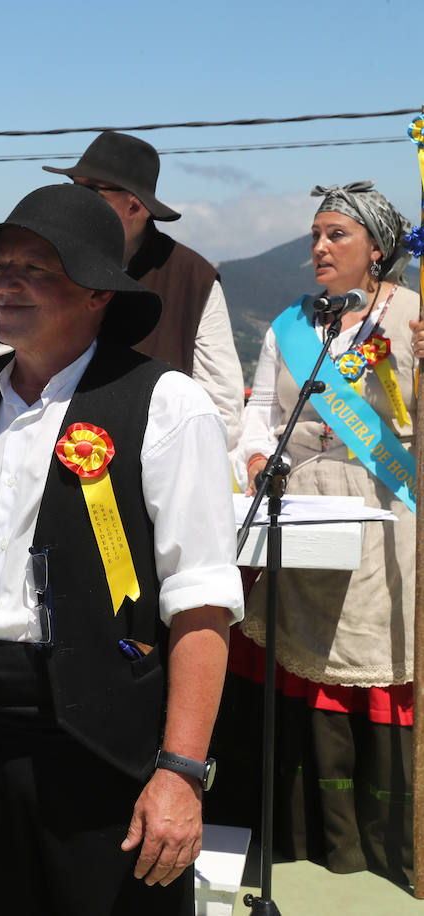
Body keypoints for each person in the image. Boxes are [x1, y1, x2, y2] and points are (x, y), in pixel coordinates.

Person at [0, 184, 242, 915]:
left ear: (96, 292)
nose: (7, 283)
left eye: (36, 268)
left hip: (107, 746)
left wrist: (181, 772)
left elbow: (202, 603)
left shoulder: (166, 405)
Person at [219, 180, 417, 887]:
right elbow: (261, 408)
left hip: (385, 521)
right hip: (298, 516)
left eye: (337, 235)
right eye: (315, 234)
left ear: (378, 249)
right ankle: (292, 835)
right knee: (295, 652)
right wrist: (250, 451)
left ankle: (367, 847)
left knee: (362, 648)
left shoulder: (416, 319)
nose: (320, 248)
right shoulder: (289, 325)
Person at [44, 131, 244, 446]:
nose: (76, 202)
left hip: (153, 470)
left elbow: (222, 409)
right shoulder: (45, 259)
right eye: (74, 188)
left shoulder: (194, 278)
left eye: (92, 192)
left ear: (134, 207)